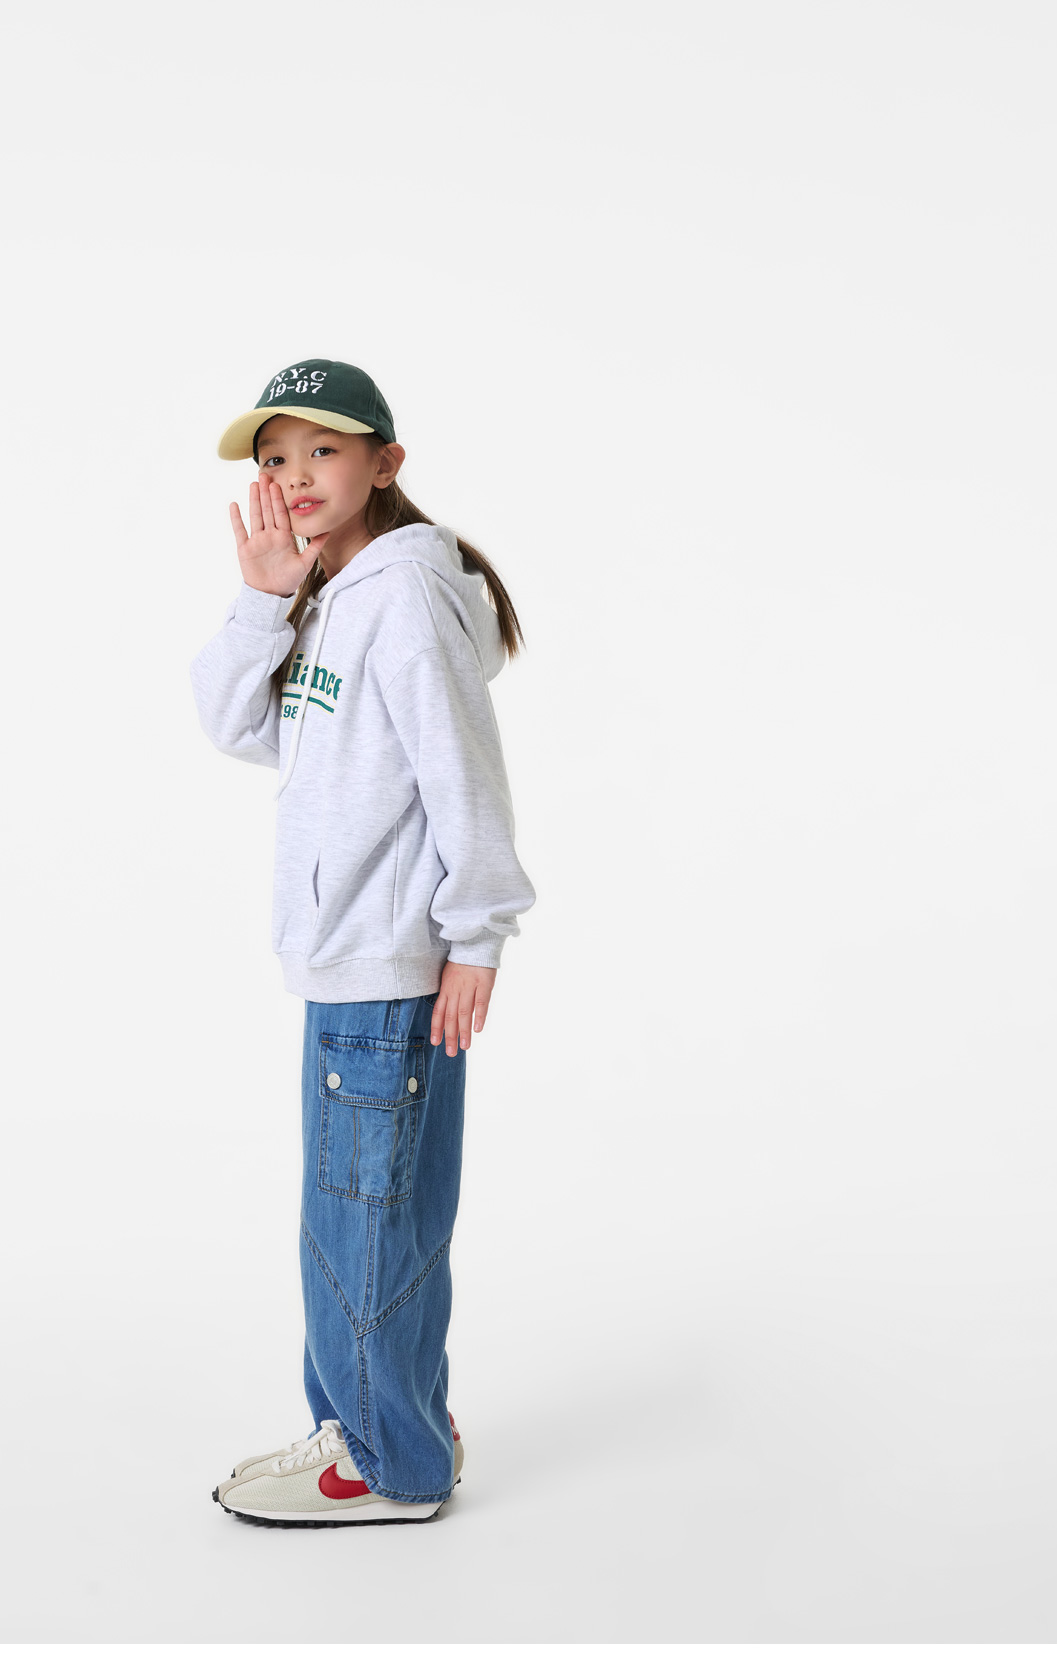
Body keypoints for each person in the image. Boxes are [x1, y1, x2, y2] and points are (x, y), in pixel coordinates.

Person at [189, 358, 537, 1526]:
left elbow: (462, 770)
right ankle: (398, 1422)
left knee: (363, 1224)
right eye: (275, 458)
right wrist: (264, 598)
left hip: (386, 959)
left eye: (323, 451)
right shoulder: (337, 595)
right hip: (352, 957)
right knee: (375, 1213)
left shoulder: (400, 597)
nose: (294, 476)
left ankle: (384, 1463)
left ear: (386, 463)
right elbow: (241, 724)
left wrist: (478, 932)